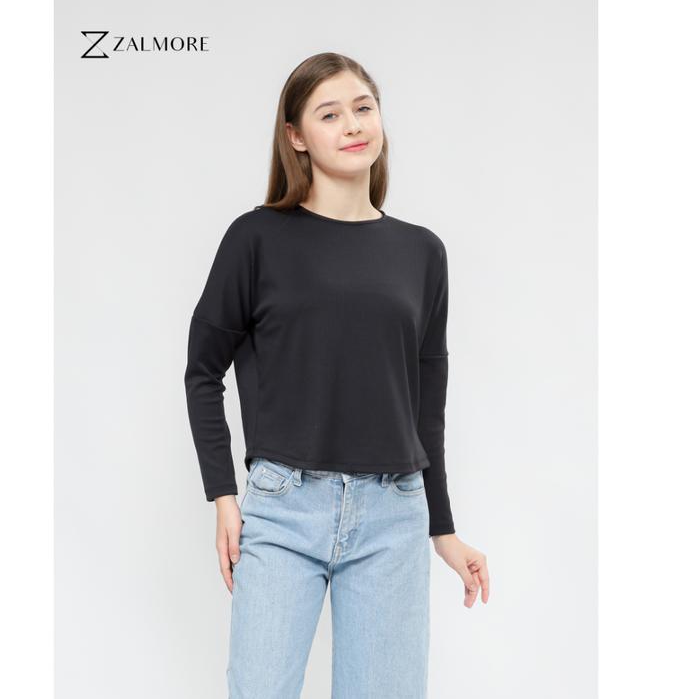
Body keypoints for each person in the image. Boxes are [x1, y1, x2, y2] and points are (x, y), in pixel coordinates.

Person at [184, 52, 490, 698]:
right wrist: (224, 497)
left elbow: (425, 404)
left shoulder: (422, 252)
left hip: (393, 517)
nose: (353, 125)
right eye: (329, 114)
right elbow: (202, 371)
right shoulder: (257, 237)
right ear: (296, 136)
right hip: (282, 510)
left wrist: (442, 529)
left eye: (363, 107)